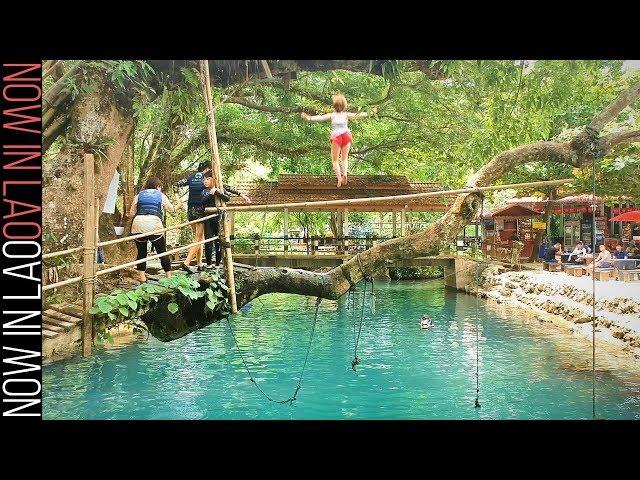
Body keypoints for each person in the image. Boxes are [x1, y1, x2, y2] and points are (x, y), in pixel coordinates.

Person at [301, 94, 376, 187]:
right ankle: (345, 173)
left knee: (335, 160)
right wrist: (371, 112)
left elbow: (319, 118)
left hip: (337, 136)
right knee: (344, 158)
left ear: (334, 106)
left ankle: (339, 179)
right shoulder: (346, 115)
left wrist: (308, 117)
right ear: (344, 106)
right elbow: (359, 115)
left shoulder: (332, 115)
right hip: (347, 135)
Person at [128, 177, 183, 283]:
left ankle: (142, 279)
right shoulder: (161, 195)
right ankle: (169, 278)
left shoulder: (139, 196)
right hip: (154, 225)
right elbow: (172, 210)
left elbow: (131, 213)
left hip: (138, 225)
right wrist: (179, 205)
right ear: (158, 186)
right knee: (162, 253)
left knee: (141, 253)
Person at [201, 175, 251, 268]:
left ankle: (217, 264)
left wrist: (217, 193)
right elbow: (203, 201)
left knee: (219, 241)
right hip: (208, 218)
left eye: (208, 179)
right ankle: (208, 264)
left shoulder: (221, 188)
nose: (205, 181)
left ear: (213, 180)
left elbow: (227, 198)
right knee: (208, 241)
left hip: (219, 218)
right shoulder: (204, 191)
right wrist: (211, 194)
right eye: (205, 180)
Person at [174, 161, 211, 272]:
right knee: (199, 239)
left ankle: (199, 263)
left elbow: (176, 185)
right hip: (200, 210)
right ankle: (186, 262)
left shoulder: (190, 177)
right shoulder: (206, 179)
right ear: (208, 168)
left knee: (199, 238)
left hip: (190, 210)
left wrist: (178, 200)